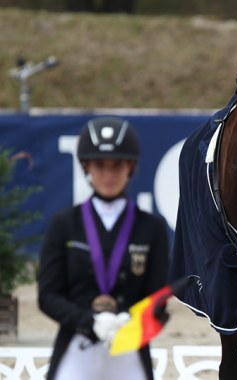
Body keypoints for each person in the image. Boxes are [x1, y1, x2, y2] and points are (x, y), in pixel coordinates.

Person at [37, 116, 170, 380]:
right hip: (77, 347)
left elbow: (158, 300)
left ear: (130, 167)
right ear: (86, 166)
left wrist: (128, 320)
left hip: (129, 350)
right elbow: (48, 296)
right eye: (100, 165)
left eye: (117, 165)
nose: (109, 175)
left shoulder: (152, 228)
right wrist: (89, 321)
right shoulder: (63, 225)